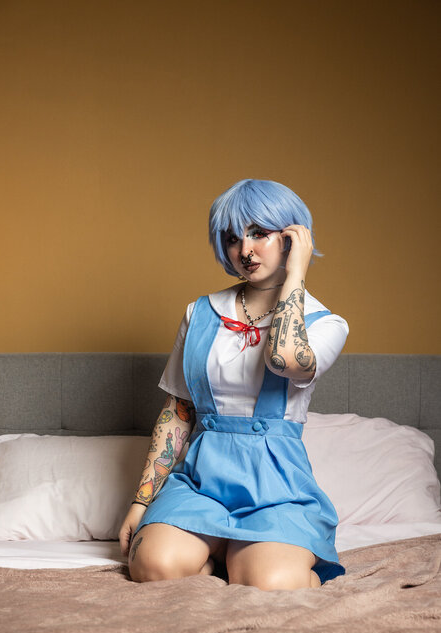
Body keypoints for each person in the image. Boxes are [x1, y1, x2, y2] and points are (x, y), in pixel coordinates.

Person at [118, 178, 349, 591]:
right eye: (232, 238)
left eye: (259, 233)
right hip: (201, 483)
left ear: (292, 237)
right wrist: (141, 501)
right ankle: (220, 556)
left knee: (270, 584)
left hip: (276, 488)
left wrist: (296, 272)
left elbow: (284, 358)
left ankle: (250, 559)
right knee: (152, 566)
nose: (245, 250)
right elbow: (179, 412)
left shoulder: (325, 323)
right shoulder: (200, 313)